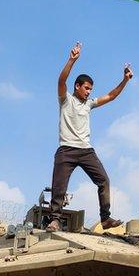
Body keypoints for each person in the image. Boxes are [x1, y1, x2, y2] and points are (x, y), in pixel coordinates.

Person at [47, 42, 130, 232]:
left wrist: (125, 80)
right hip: (66, 150)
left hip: (86, 151)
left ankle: (106, 219)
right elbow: (61, 81)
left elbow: (110, 96)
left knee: (103, 180)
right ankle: (55, 220)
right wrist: (72, 60)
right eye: (86, 88)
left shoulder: (89, 104)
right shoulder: (65, 99)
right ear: (77, 87)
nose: (89, 92)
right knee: (59, 187)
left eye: (91, 89)